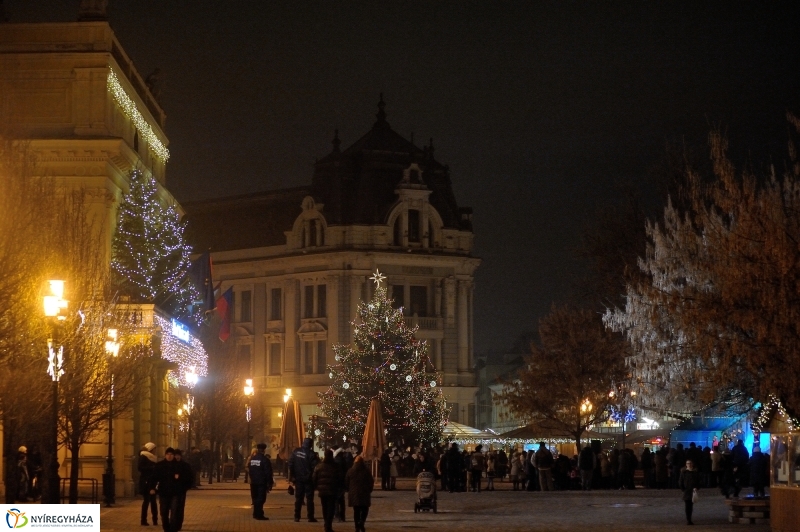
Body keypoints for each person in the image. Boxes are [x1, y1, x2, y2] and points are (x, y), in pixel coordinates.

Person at [151, 447, 184, 532]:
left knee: (174, 513)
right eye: (168, 454)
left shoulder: (178, 466)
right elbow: (154, 478)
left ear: (173, 456)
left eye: (171, 454)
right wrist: (152, 488)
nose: (169, 456)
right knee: (164, 512)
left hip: (175, 493)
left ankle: (172, 529)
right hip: (163, 492)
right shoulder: (160, 465)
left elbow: (184, 479)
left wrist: (180, 482)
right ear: (165, 455)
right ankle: (166, 528)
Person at [288, 438, 319, 523]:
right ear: (310, 444)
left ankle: (297, 516)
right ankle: (310, 517)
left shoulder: (296, 452)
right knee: (309, 499)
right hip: (308, 479)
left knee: (298, 498)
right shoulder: (311, 454)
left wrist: (292, 476)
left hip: (298, 479)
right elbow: (315, 467)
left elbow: (290, 464)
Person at [313, 449, 343, 532]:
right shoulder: (336, 466)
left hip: (322, 491)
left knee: (325, 508)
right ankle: (328, 525)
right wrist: (340, 488)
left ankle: (326, 523)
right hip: (332, 490)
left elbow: (314, 478)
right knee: (331, 508)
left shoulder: (319, 466)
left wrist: (317, 487)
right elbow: (340, 478)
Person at [346, 455, 373, 532]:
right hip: (364, 493)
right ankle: (362, 522)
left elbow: (346, 482)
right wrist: (369, 490)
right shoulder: (366, 471)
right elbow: (371, 481)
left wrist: (349, 490)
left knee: (356, 511)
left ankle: (357, 526)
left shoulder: (350, 471)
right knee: (365, 509)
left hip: (354, 494)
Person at [248, 443, 275, 520]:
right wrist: (270, 483)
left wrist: (252, 479)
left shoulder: (252, 459)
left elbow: (250, 470)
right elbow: (268, 472)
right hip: (261, 483)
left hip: (253, 482)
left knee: (255, 498)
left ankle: (255, 513)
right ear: (264, 450)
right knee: (261, 498)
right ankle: (259, 514)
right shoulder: (265, 460)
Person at [172, 449, 194, 531]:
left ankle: (178, 524)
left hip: (181, 490)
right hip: (173, 490)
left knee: (180, 507)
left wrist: (186, 486)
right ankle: (174, 523)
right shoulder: (171, 465)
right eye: (175, 455)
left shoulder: (185, 465)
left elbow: (190, 477)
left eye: (178, 455)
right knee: (174, 507)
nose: (177, 457)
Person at [138, 442, 159, 527]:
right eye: (154, 449)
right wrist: (152, 468)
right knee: (146, 501)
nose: (155, 451)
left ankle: (155, 520)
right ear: (151, 449)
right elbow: (140, 468)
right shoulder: (143, 457)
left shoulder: (153, 458)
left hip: (152, 482)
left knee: (153, 501)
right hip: (145, 481)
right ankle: (143, 520)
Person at [679, 459, 700, 525]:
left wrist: (697, 487)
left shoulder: (695, 472)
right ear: (686, 464)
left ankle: (689, 519)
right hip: (687, 491)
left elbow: (699, 481)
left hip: (693, 491)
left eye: (690, 463)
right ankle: (688, 519)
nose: (689, 464)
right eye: (688, 463)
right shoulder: (684, 472)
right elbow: (680, 481)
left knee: (690, 505)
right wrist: (683, 489)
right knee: (688, 506)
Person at [332, 445, 349, 523]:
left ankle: (337, 515)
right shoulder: (343, 460)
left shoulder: (336, 460)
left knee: (336, 500)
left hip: (336, 482)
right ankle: (342, 516)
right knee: (341, 500)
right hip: (342, 483)